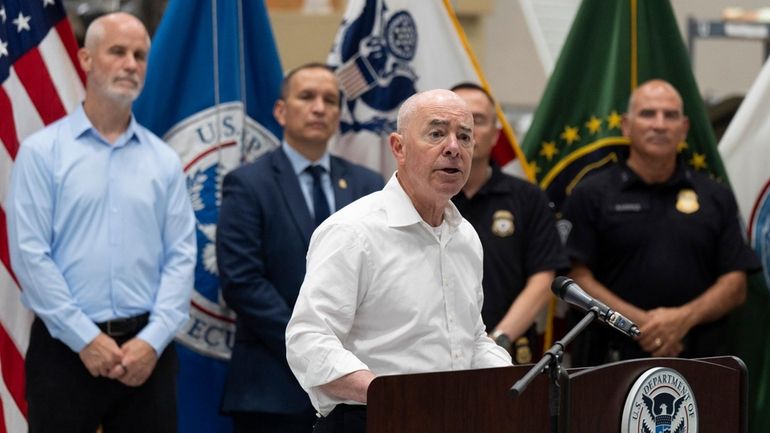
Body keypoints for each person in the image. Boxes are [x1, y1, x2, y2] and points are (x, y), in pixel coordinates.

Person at [6, 12, 196, 433]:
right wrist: (84, 338)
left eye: (140, 55)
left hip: (150, 351)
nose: (131, 63)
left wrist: (152, 340)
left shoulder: (163, 161)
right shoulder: (42, 153)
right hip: (64, 350)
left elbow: (182, 256)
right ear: (86, 59)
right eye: (118, 52)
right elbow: (30, 255)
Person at [285, 89, 513, 433]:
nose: (453, 147)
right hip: (372, 418)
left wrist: (514, 381)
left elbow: (471, 337)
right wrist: (390, 394)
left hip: (454, 419)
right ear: (399, 148)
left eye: (464, 136)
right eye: (436, 133)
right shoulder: (353, 231)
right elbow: (309, 339)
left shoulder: (465, 236)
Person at [216, 63, 383, 433]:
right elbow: (242, 281)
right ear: (280, 110)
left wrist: (341, 359)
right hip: (272, 386)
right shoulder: (247, 183)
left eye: (330, 100)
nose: (319, 107)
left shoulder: (369, 184)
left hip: (355, 388)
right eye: (307, 97)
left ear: (340, 114)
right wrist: (310, 347)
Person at [561, 79, 760, 366]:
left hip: (699, 361)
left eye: (670, 115)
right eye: (648, 114)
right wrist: (639, 324)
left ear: (684, 128)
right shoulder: (590, 194)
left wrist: (680, 320)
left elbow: (736, 284)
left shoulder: (716, 196)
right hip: (608, 362)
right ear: (626, 126)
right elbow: (576, 279)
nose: (659, 124)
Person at [450, 83, 569, 363]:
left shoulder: (528, 198)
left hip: (508, 352)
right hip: (434, 355)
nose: (466, 129)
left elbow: (543, 278)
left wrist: (496, 341)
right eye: (456, 121)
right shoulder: (424, 198)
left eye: (476, 120)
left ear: (495, 135)